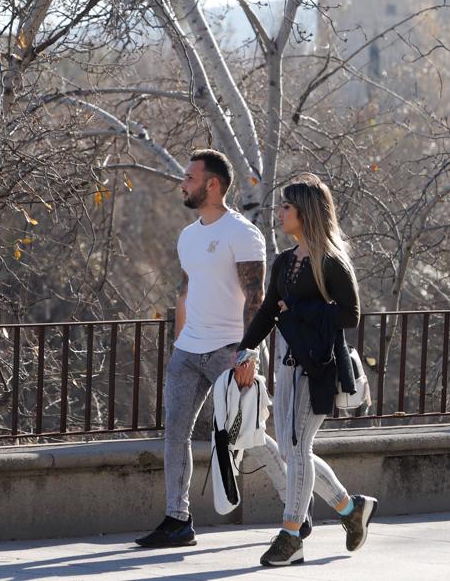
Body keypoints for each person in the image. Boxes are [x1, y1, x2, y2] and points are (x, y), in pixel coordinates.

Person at [136, 149, 320, 548]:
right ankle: (177, 519)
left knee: (249, 435)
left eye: (189, 177)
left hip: (228, 351)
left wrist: (249, 353)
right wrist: (178, 345)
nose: (182, 184)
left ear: (212, 184)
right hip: (188, 351)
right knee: (175, 434)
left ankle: (298, 511)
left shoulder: (242, 233)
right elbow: (187, 292)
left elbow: (256, 301)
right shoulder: (188, 236)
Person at [237, 173, 378, 567]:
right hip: (286, 365)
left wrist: (298, 311)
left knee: (296, 448)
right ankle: (350, 509)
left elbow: (350, 315)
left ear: (306, 212)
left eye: (287, 206)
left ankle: (292, 533)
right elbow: (268, 311)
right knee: (292, 449)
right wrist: (245, 350)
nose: (280, 212)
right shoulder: (284, 261)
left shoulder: (331, 262)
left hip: (318, 368)